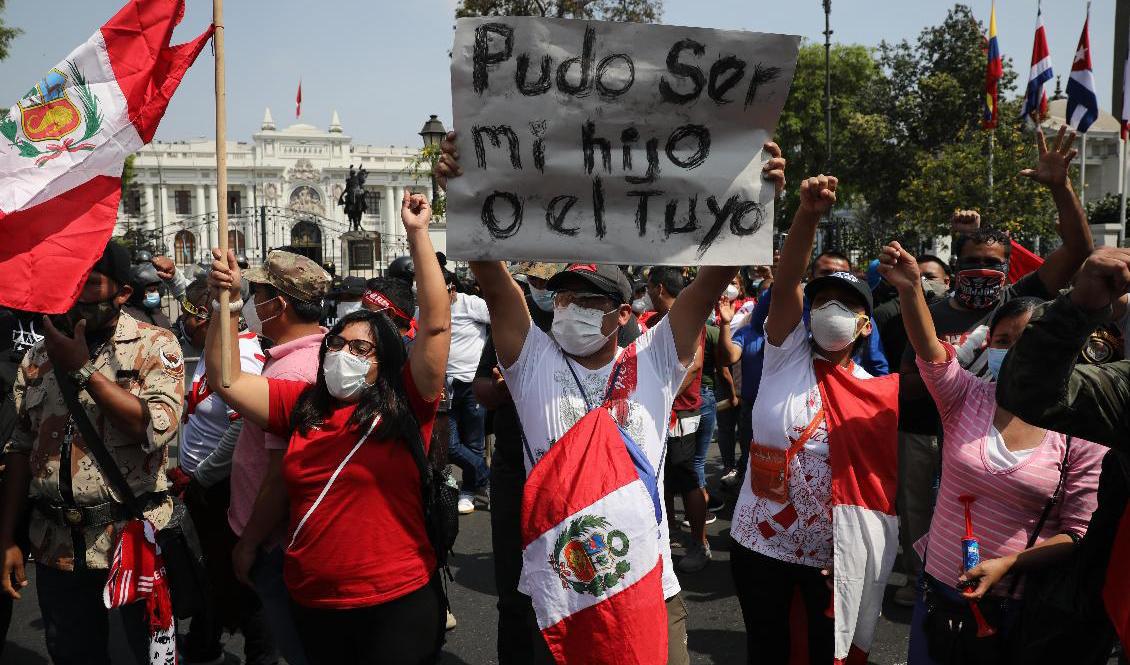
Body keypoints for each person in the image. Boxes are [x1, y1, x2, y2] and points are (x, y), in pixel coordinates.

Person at [436, 128, 787, 664]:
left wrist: (756, 204)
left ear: (623, 313)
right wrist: (461, 194)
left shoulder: (654, 359)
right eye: (565, 297)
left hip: (649, 589)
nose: (570, 308)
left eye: (588, 300)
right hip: (559, 597)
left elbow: (710, 282)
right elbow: (489, 272)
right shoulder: (533, 362)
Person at [205, 191, 450, 665]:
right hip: (315, 603)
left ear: (386, 364)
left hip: (395, 603)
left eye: (361, 350)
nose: (343, 354)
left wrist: (418, 234)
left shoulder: (404, 410)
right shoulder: (301, 405)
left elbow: (436, 327)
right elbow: (228, 379)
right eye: (337, 343)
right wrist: (228, 307)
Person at [893, 124, 1092, 606]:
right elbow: (909, 383)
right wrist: (955, 376)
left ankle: (995, 582)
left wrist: (1061, 188)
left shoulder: (1020, 305)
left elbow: (1079, 252)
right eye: (974, 260)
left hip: (1011, 434)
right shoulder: (931, 314)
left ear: (1009, 270)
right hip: (931, 432)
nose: (984, 269)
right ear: (956, 265)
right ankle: (930, 584)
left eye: (995, 262)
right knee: (924, 515)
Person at [879, 241, 1106, 664]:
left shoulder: (1082, 430)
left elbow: (1078, 532)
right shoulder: (966, 396)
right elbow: (930, 353)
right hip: (940, 595)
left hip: (1016, 609)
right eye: (1003, 341)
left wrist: (1010, 563)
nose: (1016, 352)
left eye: (1028, 341)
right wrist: (911, 289)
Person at [729, 175, 900, 665]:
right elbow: (785, 283)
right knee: (768, 650)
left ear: (864, 325)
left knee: (826, 655)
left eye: (846, 306)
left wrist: (854, 555)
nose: (831, 311)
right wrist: (807, 214)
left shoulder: (875, 392)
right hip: (758, 547)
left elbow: (875, 487)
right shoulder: (787, 355)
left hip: (831, 559)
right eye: (822, 301)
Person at [0, 241, 183, 665]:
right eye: (70, 281)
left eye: (90, 282)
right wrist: (7, 536)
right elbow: (20, 449)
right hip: (57, 546)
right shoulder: (39, 356)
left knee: (153, 656)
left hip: (132, 540)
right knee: (72, 653)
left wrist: (84, 370)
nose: (77, 292)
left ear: (121, 292)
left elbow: (151, 426)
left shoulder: (155, 345)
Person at [227, 249, 333, 665]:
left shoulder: (291, 372)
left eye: (256, 294)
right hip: (291, 533)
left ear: (279, 304)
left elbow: (279, 475)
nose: (253, 304)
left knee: (297, 645)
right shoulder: (319, 351)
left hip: (277, 539)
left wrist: (250, 542)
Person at [175, 277, 278, 665]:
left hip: (222, 488)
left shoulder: (244, 355)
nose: (182, 325)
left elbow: (242, 425)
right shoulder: (212, 346)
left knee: (242, 579)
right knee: (208, 572)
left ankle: (262, 656)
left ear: (206, 317)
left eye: (186, 316)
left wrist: (203, 476)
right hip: (203, 487)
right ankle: (204, 643)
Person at [472, 262, 558, 664]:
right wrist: (504, 388)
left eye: (549, 282)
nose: (541, 289)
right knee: (514, 592)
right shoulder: (512, 321)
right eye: (535, 281)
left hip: (569, 477)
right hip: (514, 473)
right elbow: (481, 389)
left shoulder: (598, 320)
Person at [645, 266, 712, 573]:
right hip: (662, 412)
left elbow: (695, 363)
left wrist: (666, 395)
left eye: (648, 286)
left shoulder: (686, 317)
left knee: (687, 479)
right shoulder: (653, 320)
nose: (645, 292)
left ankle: (699, 544)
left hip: (681, 413)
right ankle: (668, 539)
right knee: (665, 481)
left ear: (659, 288)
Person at [446, 271, 492, 514]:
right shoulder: (425, 309)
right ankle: (488, 478)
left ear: (452, 289)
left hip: (471, 383)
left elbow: (501, 321)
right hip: (443, 385)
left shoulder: (472, 304)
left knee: (474, 442)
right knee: (449, 444)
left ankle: (469, 491)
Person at [124, 261, 175, 330]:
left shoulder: (157, 313)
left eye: (157, 289)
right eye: (151, 290)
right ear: (137, 292)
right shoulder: (127, 319)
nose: (156, 293)